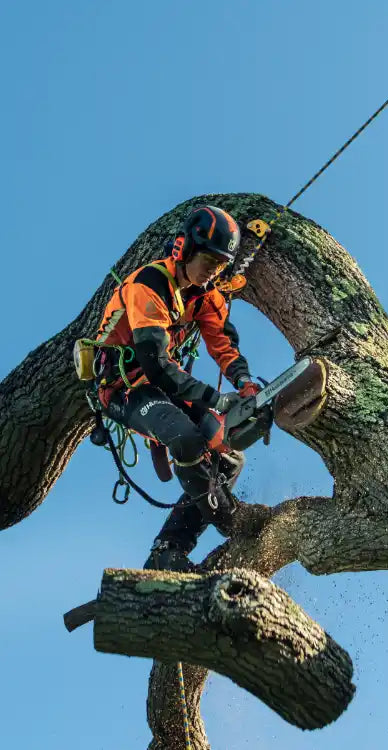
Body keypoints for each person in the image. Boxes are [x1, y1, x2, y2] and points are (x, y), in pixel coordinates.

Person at [94, 205, 259, 571]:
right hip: (126, 387)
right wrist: (216, 398)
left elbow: (223, 344)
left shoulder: (206, 294)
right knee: (187, 440)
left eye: (220, 265)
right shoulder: (149, 286)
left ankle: (169, 549)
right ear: (185, 250)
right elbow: (156, 365)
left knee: (230, 456)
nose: (214, 270)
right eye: (209, 260)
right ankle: (233, 520)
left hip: (167, 387)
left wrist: (244, 384)